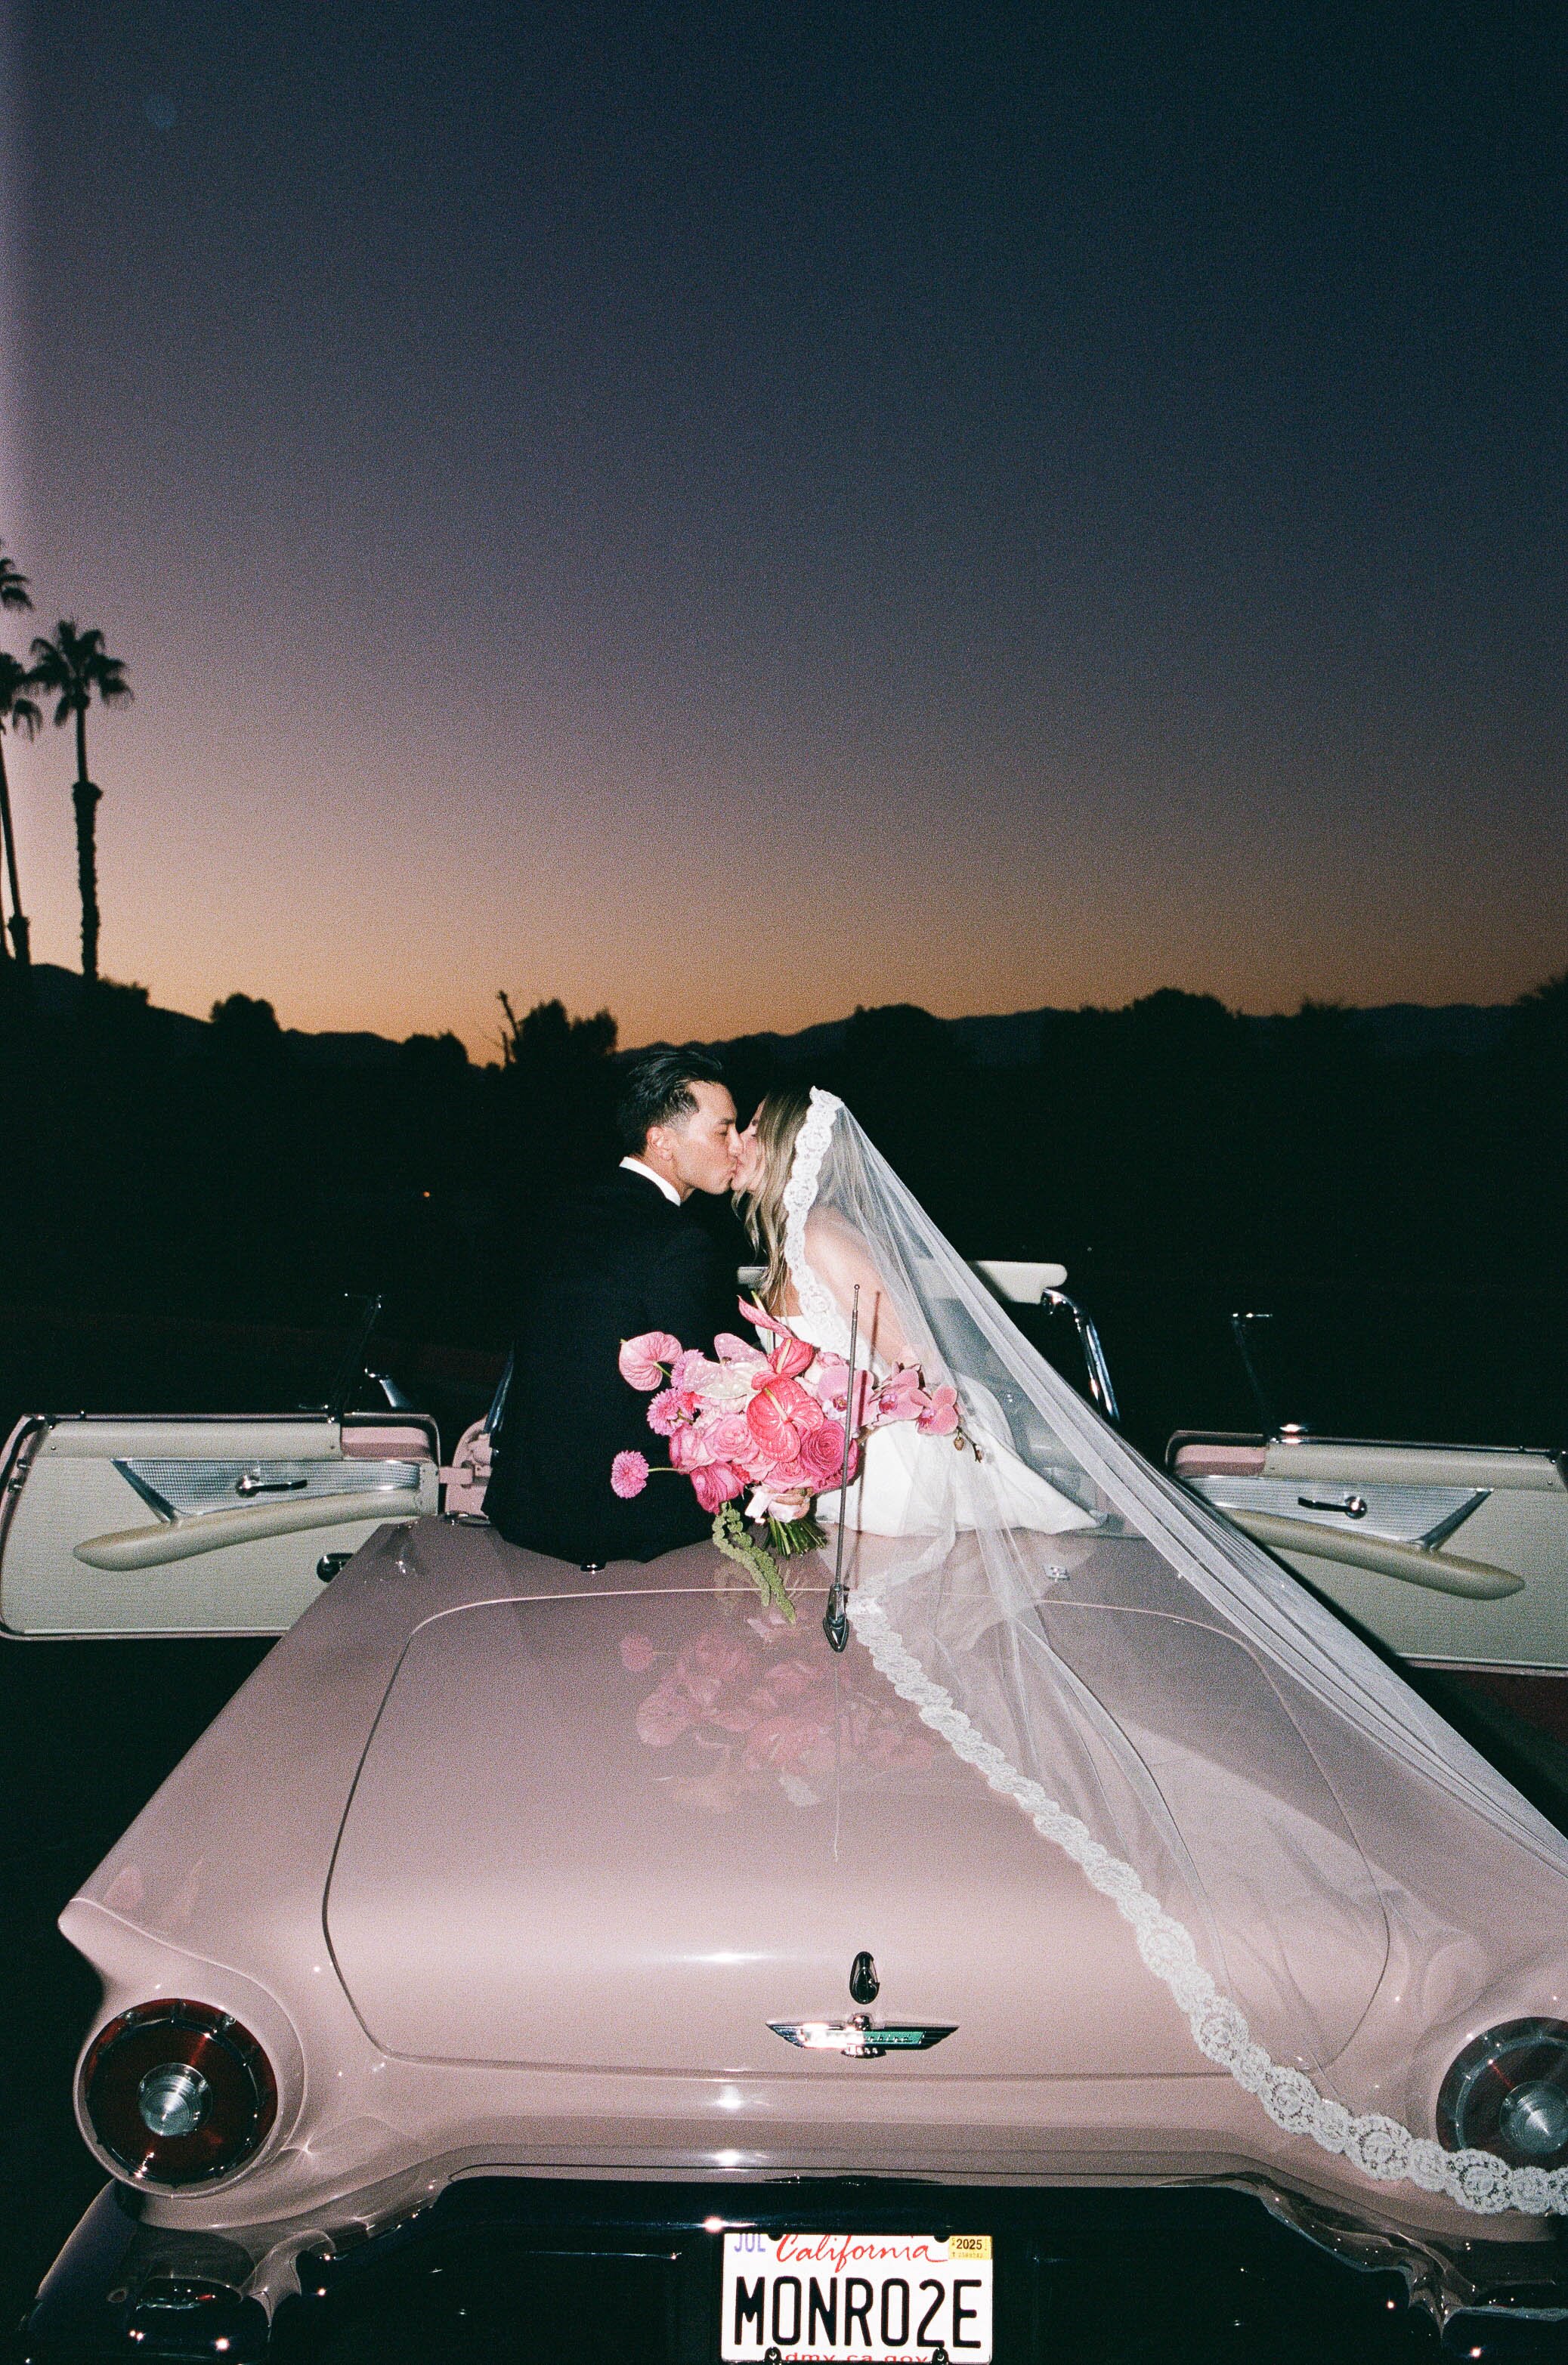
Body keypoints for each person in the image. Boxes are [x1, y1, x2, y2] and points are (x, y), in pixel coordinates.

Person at [731, 1084, 1093, 1538]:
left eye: (756, 1129)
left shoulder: (821, 1237)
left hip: (884, 1475)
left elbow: (919, 1362)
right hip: (825, 1463)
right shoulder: (795, 1240)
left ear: (789, 1147)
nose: (740, 1140)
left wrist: (828, 1439)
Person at [484, 1046, 741, 1565]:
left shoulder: (563, 1212)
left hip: (526, 1503)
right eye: (722, 1131)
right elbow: (705, 1384)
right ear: (661, 1141)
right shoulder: (677, 1240)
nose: (737, 1147)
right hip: (626, 1522)